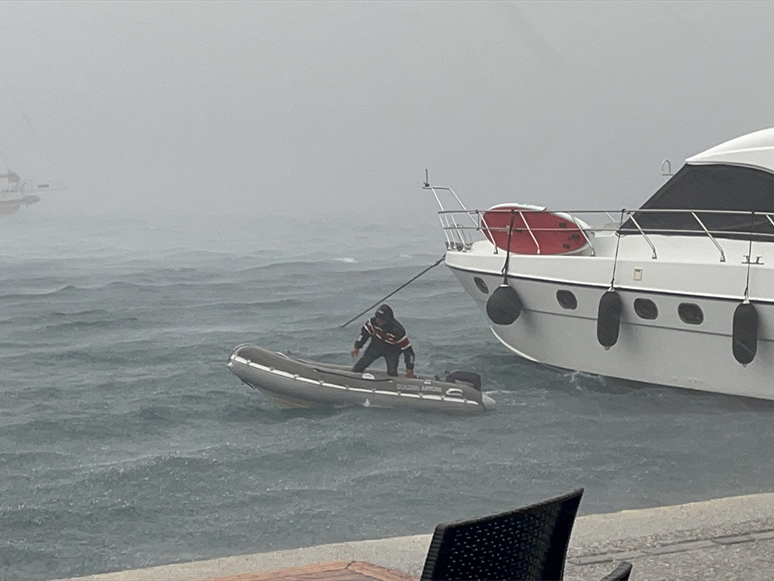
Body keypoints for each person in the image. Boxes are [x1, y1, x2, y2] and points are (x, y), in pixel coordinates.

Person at [351, 304, 415, 378]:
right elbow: (364, 334)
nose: (377, 321)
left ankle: (392, 384)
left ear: (387, 321)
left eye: (381, 320)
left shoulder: (398, 331)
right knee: (360, 365)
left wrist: (409, 368)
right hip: (376, 346)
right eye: (377, 318)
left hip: (392, 350)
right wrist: (357, 347)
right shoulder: (372, 322)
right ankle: (353, 377)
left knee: (392, 373)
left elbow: (408, 351)